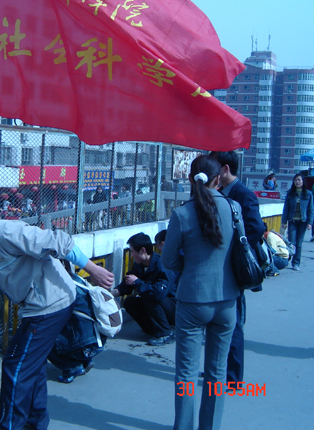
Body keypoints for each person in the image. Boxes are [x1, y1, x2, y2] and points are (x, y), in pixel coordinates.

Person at [0, 208, 113, 430]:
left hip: (51, 304)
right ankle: (34, 424)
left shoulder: (6, 232)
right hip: (35, 308)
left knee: (16, 366)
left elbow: (60, 241)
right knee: (31, 366)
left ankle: (10, 425)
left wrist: (93, 270)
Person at [162, 155, 239, 430]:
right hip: (227, 301)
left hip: (192, 300)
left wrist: (189, 268)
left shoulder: (182, 214)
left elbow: (168, 260)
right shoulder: (233, 208)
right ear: (218, 179)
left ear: (190, 179)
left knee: (186, 374)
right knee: (217, 372)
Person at [209, 150, 265, 385]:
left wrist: (236, 250)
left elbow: (256, 228)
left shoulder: (243, 194)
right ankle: (218, 370)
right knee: (219, 322)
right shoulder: (220, 192)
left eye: (214, 167)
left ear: (225, 169)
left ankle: (233, 377)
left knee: (234, 322)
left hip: (234, 266)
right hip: (219, 267)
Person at [112, 232, 177, 346]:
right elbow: (127, 285)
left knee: (150, 295)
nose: (132, 255)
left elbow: (159, 293)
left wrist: (137, 282)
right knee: (129, 302)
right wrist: (109, 294)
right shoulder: (138, 265)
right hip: (156, 303)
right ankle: (152, 329)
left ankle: (165, 333)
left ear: (143, 250)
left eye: (133, 251)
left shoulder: (162, 265)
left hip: (173, 308)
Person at [47, 266, 106, 384]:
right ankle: (85, 361)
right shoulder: (79, 281)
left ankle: (71, 368)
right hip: (98, 341)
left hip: (84, 346)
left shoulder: (60, 289)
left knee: (43, 339)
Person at [281, 173, 314, 270]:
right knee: (291, 243)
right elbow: (286, 208)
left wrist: (310, 223)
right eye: (296, 180)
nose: (297, 182)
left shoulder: (308, 194)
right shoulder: (290, 193)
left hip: (303, 222)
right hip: (293, 221)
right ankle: (286, 260)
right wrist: (284, 221)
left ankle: (296, 263)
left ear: (303, 181)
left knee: (299, 244)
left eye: (299, 180)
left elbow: (311, 209)